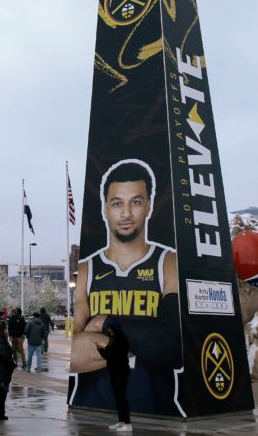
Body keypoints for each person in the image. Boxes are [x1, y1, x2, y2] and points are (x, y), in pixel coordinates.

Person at [69, 159, 182, 416]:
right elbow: (73, 351)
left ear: (149, 206)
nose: (126, 213)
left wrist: (105, 322)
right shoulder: (88, 268)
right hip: (91, 410)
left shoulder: (168, 262)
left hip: (154, 411)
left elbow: (173, 345)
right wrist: (142, 339)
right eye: (117, 203)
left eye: (136, 201)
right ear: (105, 209)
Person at [97, 325, 132, 432]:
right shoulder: (113, 339)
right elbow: (108, 356)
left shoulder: (121, 339)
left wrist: (106, 349)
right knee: (118, 398)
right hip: (114, 373)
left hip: (120, 372)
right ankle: (121, 422)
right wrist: (100, 349)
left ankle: (127, 424)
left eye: (110, 328)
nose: (108, 330)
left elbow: (115, 355)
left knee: (122, 398)